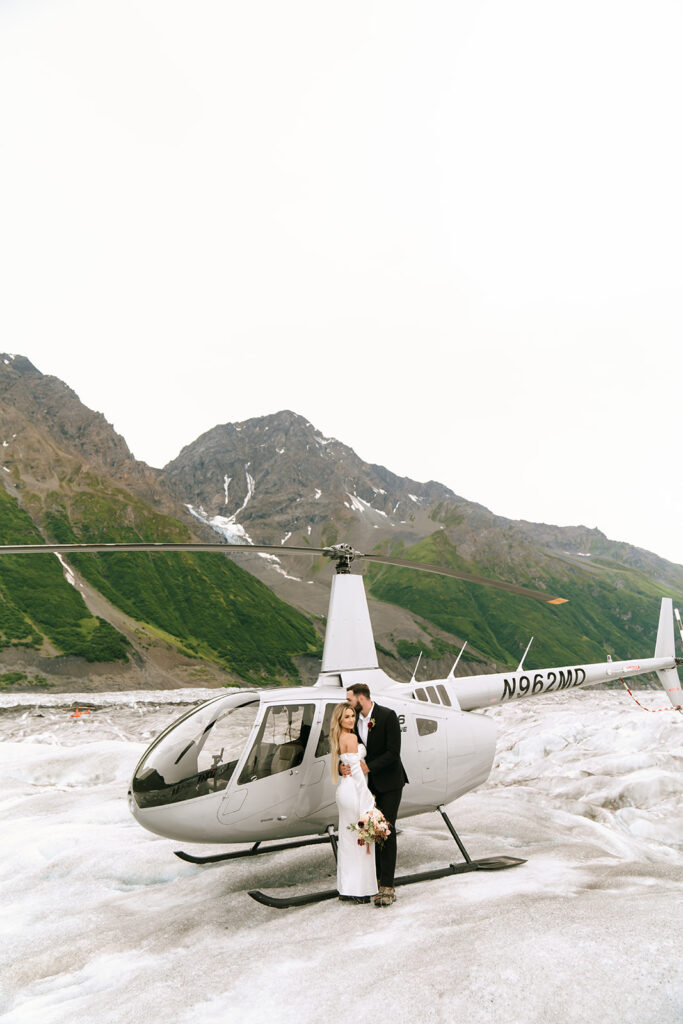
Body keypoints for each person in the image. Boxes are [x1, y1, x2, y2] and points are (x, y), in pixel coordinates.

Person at [343, 683, 408, 907]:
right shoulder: (353, 721)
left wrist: (368, 768)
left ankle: (388, 887)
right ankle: (375, 880)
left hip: (390, 784)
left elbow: (393, 753)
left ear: (361, 698)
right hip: (368, 787)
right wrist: (345, 767)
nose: (347, 703)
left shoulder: (387, 716)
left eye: (350, 699)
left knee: (386, 830)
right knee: (372, 831)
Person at [330, 702, 378, 904]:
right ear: (340, 720)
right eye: (347, 717)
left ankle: (346, 888)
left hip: (344, 789)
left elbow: (347, 763)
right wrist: (368, 801)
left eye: (352, 716)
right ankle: (359, 890)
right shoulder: (350, 737)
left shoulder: (338, 737)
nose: (351, 720)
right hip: (354, 790)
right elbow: (358, 772)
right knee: (361, 840)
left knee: (349, 841)